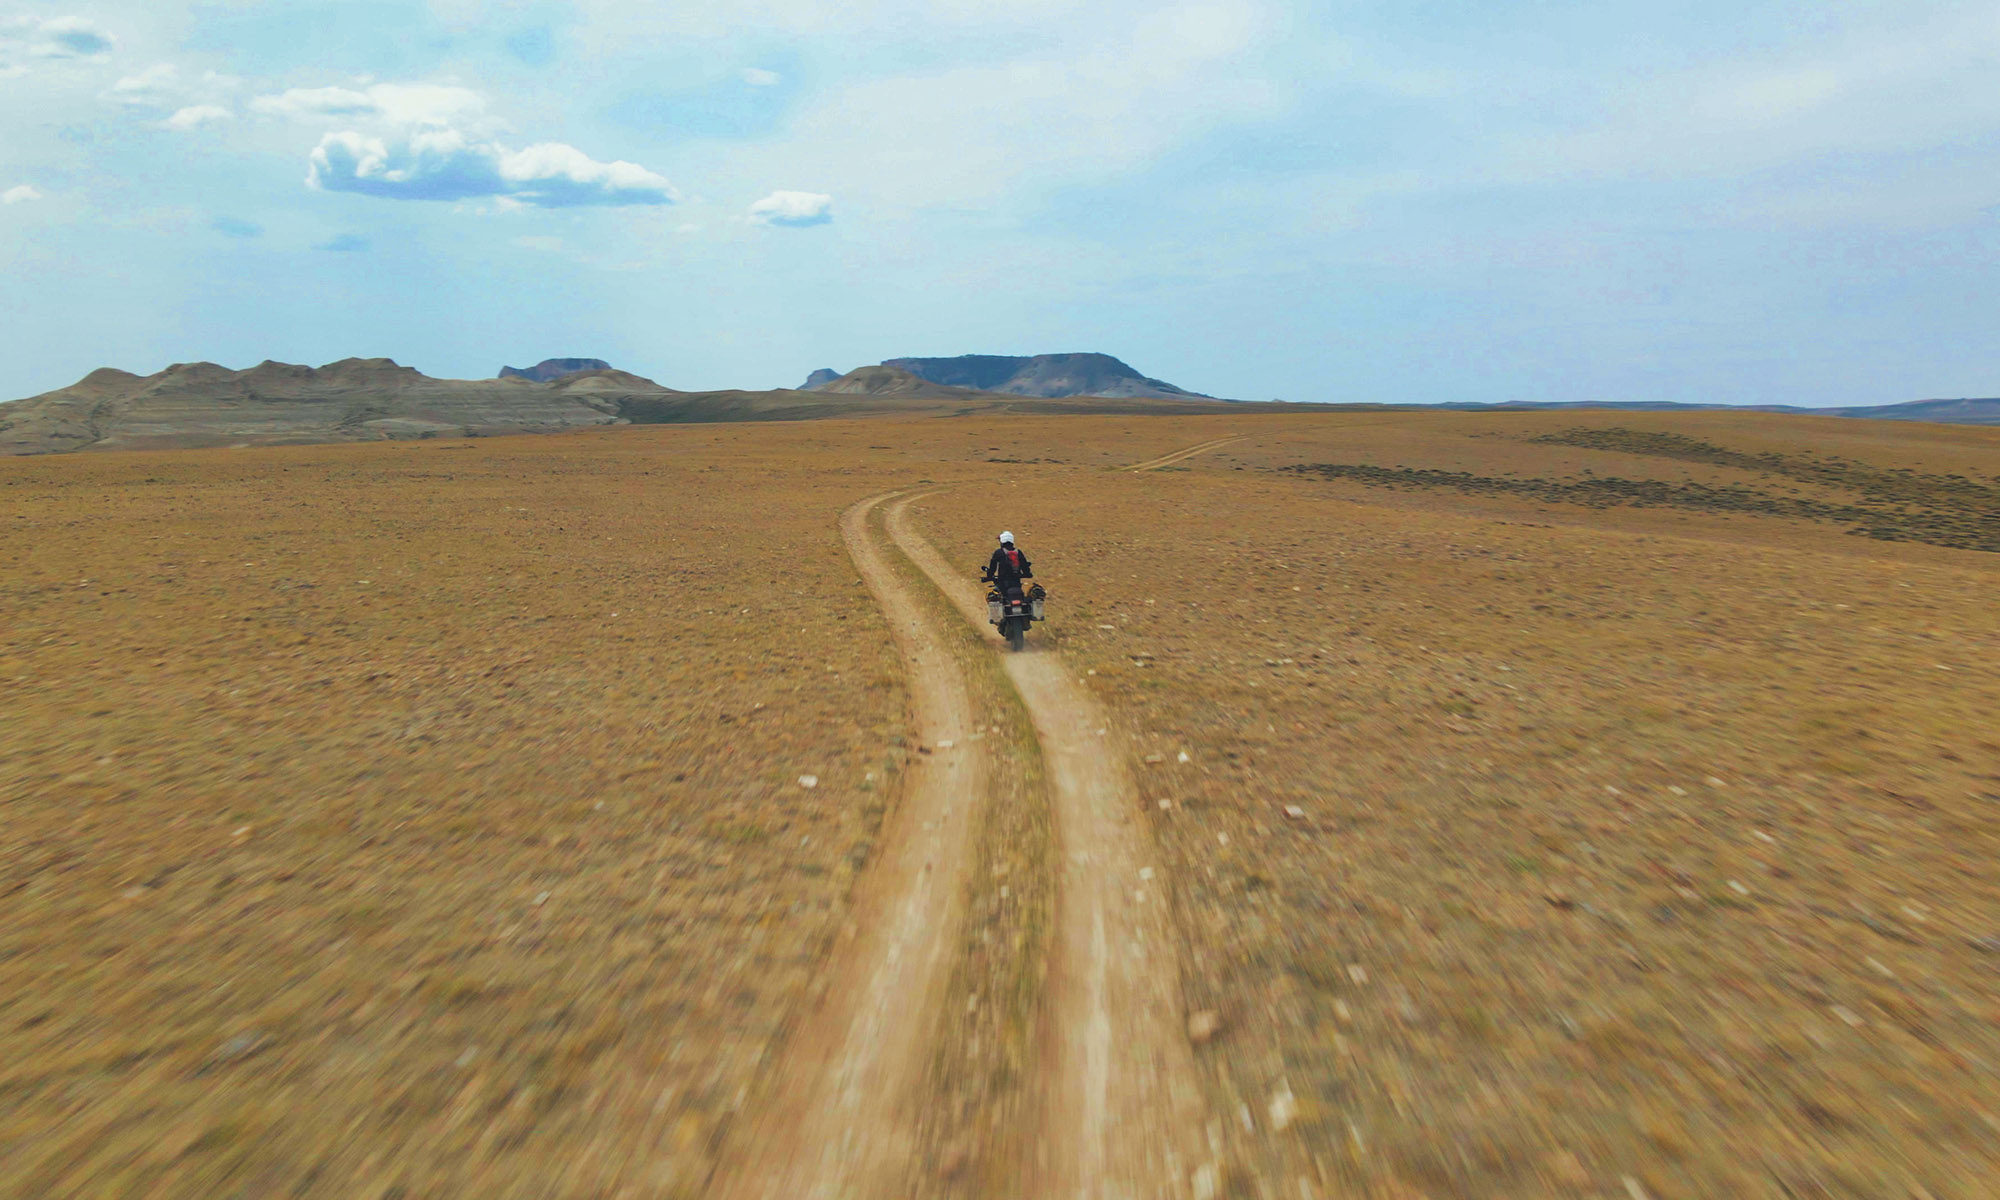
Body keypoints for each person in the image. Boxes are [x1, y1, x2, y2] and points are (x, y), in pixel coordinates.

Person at [983, 531, 1033, 597]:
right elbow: (1025, 567)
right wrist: (1027, 574)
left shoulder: (998, 552)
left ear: (1002, 541)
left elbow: (993, 567)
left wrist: (989, 576)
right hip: (1016, 583)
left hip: (1002, 583)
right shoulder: (1018, 552)